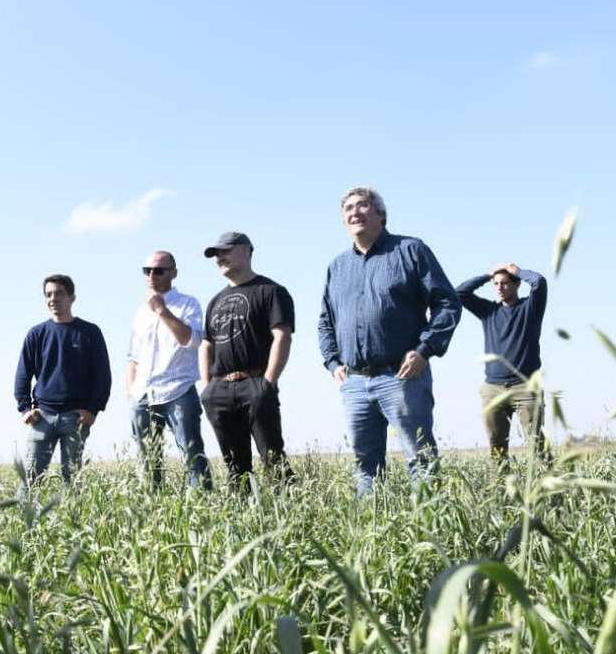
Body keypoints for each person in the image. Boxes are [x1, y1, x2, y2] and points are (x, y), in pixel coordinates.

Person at [317, 187, 460, 496]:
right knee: (366, 466)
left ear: (380, 215)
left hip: (402, 375)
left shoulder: (410, 250)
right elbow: (326, 320)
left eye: (363, 206)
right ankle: (373, 536)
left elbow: (447, 303)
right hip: (354, 382)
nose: (355, 212)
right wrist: (332, 362)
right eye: (348, 209)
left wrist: (425, 349)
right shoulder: (337, 266)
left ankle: (430, 532)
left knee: (420, 460)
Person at [198, 232, 294, 490]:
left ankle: (290, 517)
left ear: (247, 250)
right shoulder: (215, 301)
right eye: (216, 254)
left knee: (272, 458)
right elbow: (206, 345)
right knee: (234, 466)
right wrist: (208, 388)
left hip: (255, 382)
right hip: (219, 388)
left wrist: (268, 382)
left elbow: (282, 336)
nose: (220, 257)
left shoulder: (271, 291)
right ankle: (243, 520)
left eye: (225, 251)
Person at [13, 274, 111, 489]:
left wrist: (93, 410)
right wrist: (25, 408)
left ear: (72, 297)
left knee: (73, 481)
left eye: (59, 294)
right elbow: (22, 374)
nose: (53, 299)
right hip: (42, 417)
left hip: (75, 418)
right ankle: (25, 519)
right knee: (30, 479)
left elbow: (102, 375)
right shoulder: (37, 334)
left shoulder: (89, 333)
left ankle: (73, 519)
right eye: (48, 294)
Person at [126, 251, 211, 489]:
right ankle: (153, 507)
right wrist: (131, 393)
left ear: (174, 273)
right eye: (147, 270)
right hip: (143, 393)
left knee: (191, 452)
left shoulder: (188, 303)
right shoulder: (141, 311)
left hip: (178, 390)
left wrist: (162, 311)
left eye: (159, 270)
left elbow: (191, 340)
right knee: (147, 460)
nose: (152, 275)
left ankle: (203, 506)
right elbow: (133, 356)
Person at [456, 263, 549, 462]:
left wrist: (519, 272)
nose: (499, 287)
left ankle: (547, 491)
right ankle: (500, 492)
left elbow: (539, 283)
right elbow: (460, 293)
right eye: (496, 284)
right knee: (497, 449)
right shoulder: (488, 311)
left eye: (505, 283)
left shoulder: (530, 309)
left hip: (526, 387)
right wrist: (487, 275)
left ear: (516, 285)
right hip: (493, 388)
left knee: (537, 446)